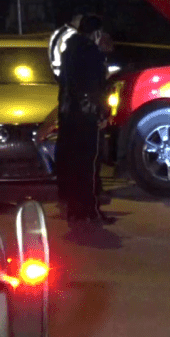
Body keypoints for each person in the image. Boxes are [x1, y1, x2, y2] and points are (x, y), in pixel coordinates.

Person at [55, 14, 115, 226]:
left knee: (74, 164)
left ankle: (76, 209)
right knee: (89, 165)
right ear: (96, 32)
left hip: (69, 115)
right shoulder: (91, 53)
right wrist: (100, 114)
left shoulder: (69, 50)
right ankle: (90, 210)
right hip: (86, 116)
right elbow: (93, 88)